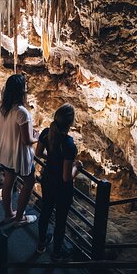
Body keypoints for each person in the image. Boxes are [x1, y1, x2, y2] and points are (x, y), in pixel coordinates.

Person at [35, 104, 81, 261]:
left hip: (47, 180)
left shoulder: (47, 133)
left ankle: (41, 243)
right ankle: (56, 252)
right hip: (62, 188)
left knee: (46, 211)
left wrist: (53, 159)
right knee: (61, 219)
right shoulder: (68, 144)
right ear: (71, 123)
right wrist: (77, 167)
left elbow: (39, 153)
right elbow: (67, 177)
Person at [0, 74, 37, 227]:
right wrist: (37, 137)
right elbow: (27, 140)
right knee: (29, 181)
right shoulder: (21, 112)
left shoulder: (2, 105)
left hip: (5, 152)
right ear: (21, 91)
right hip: (18, 155)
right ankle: (19, 218)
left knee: (8, 182)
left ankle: (8, 215)